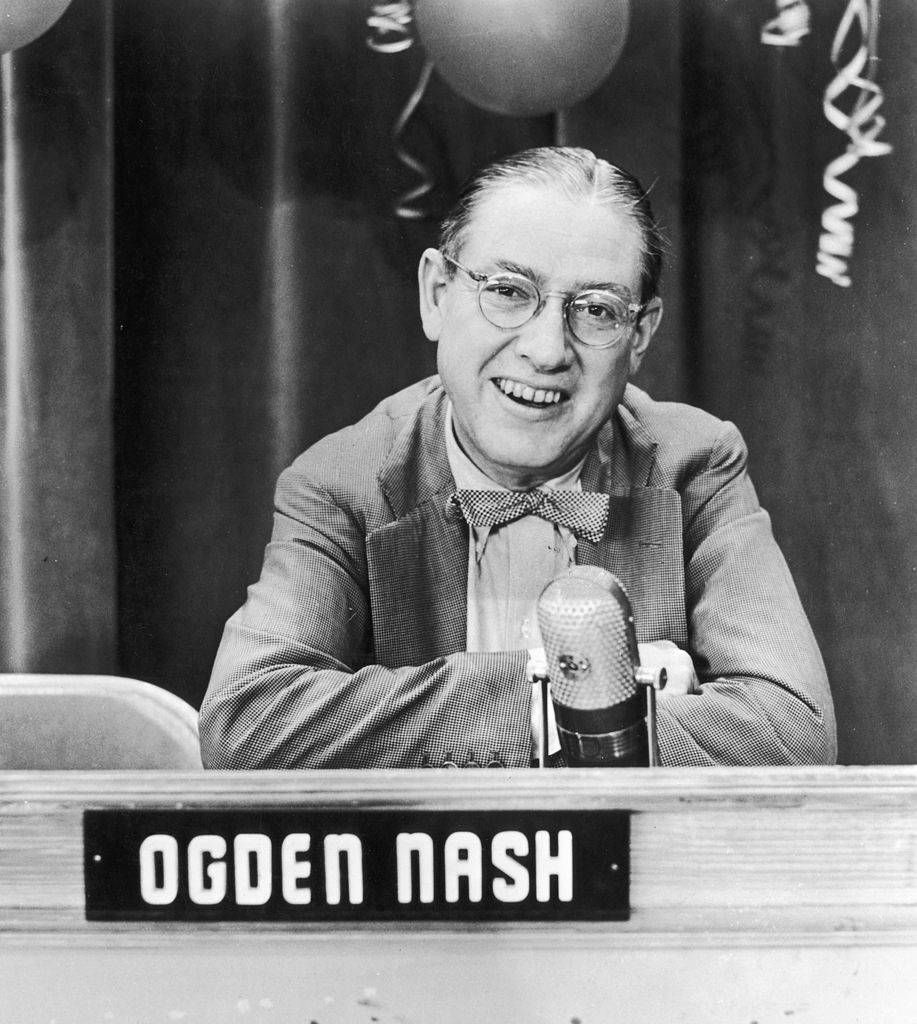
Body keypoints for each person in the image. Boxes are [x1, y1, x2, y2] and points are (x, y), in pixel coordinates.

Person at [200, 146, 836, 770]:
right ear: (437, 295)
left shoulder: (693, 464)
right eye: (508, 291)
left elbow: (794, 730)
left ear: (639, 336)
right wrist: (570, 698)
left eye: (595, 310)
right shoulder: (345, 482)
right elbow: (244, 723)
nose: (547, 349)